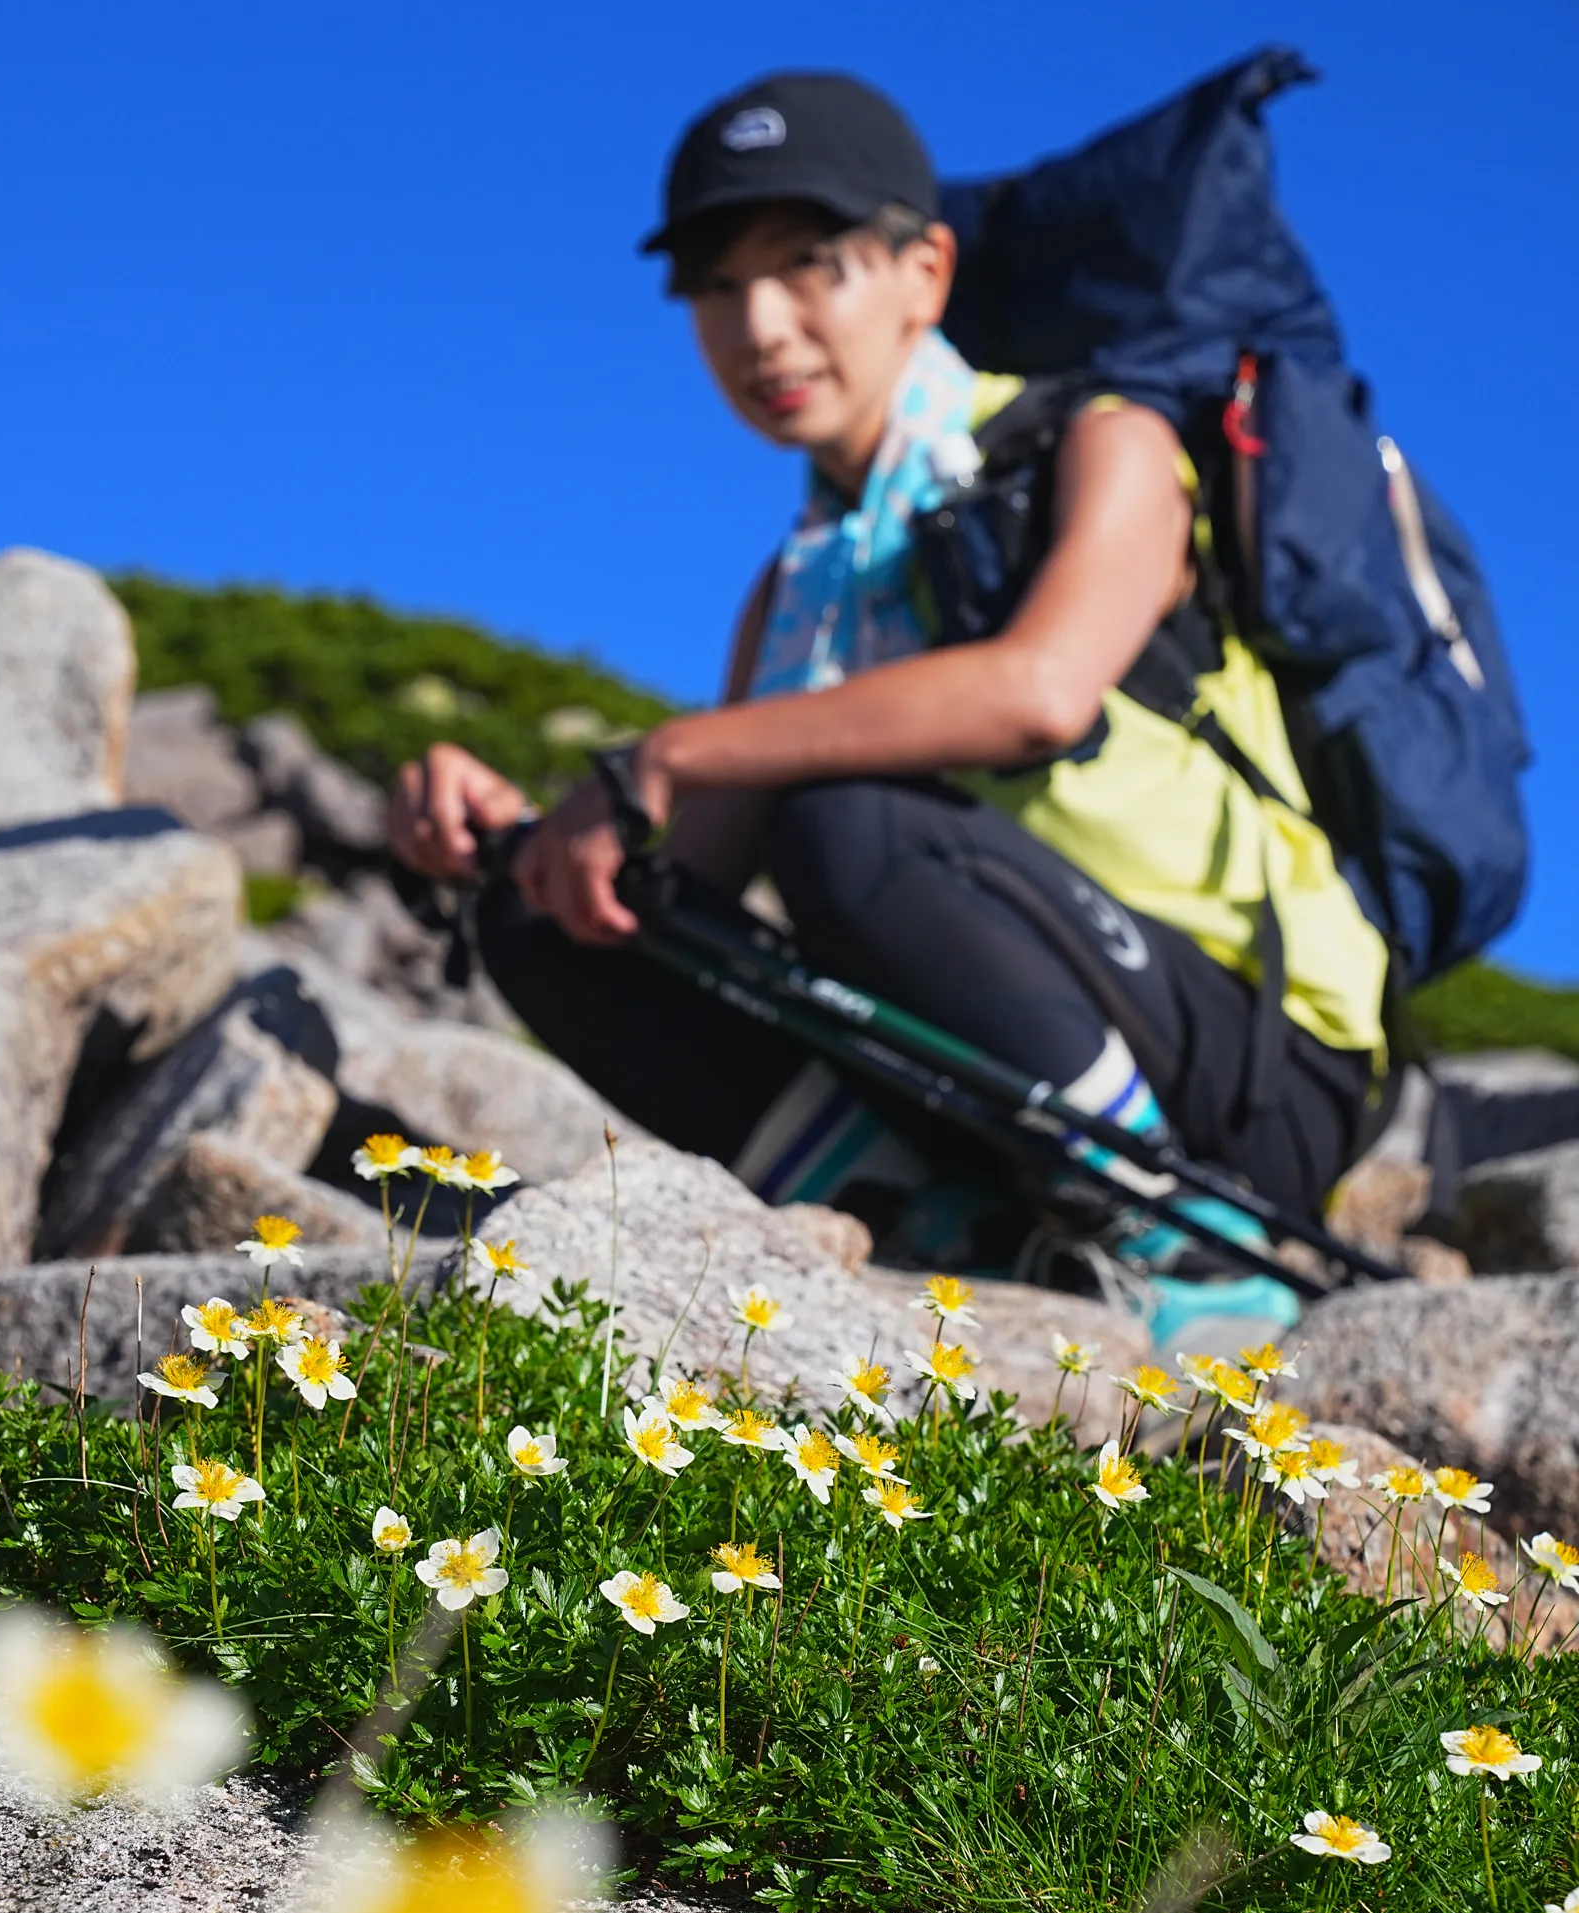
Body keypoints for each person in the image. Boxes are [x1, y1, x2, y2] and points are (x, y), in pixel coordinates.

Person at [386, 71, 1392, 1342]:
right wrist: (525, 843)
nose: (760, 325)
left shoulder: (1103, 441)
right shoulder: (796, 589)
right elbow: (678, 886)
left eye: (810, 265)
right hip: (993, 1075)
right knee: (553, 926)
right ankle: (951, 1231)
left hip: (1256, 1068)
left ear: (925, 272)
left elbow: (1038, 692)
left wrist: (666, 754)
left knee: (841, 816)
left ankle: (1177, 1253)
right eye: (715, 284)